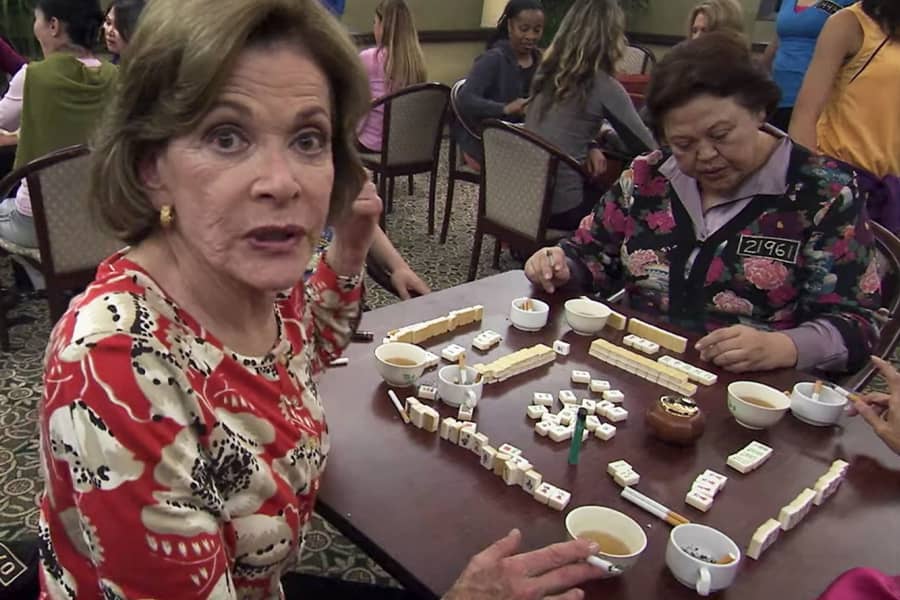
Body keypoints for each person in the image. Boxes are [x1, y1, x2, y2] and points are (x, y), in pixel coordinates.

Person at [38, 0, 604, 598]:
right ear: (151, 164)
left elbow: (301, 347)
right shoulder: (114, 368)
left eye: (309, 139)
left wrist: (352, 246)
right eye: (227, 136)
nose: (284, 182)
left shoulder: (245, 274)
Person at [525, 32, 881, 375]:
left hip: (752, 395)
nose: (706, 155)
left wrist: (784, 347)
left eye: (721, 135)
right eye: (683, 144)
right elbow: (590, 254)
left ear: (759, 111)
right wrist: (560, 264)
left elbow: (857, 325)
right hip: (632, 370)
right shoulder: (649, 177)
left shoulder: (822, 193)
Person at [0, 0, 115, 295]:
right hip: (104, 215)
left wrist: (16, 136)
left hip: (39, 223)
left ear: (53, 26)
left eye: (36, 19)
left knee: (11, 204)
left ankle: (34, 282)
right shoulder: (116, 77)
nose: (33, 26)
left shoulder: (32, 77)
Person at [525, 0, 656, 231]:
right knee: (632, 205)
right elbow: (648, 147)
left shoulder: (547, 72)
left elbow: (566, 127)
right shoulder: (603, 85)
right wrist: (607, 136)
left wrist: (593, 141)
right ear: (612, 37)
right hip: (562, 208)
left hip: (528, 201)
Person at [789, 0, 900, 231]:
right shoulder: (849, 23)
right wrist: (812, 185)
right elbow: (805, 113)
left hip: (893, 197)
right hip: (840, 182)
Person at [452, 0, 544, 169]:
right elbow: (465, 99)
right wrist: (505, 108)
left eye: (537, 30)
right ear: (510, 26)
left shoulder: (541, 61)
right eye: (524, 29)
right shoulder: (493, 59)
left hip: (526, 139)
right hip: (485, 141)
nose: (531, 36)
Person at [762, 0, 854, 132]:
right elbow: (777, 41)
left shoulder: (849, 4)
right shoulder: (788, 2)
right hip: (776, 96)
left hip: (814, 101)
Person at [357, 0, 427, 153]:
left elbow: (355, 104)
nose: (373, 28)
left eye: (375, 22)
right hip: (405, 145)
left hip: (371, 144)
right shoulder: (417, 62)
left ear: (384, 27)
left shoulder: (369, 58)